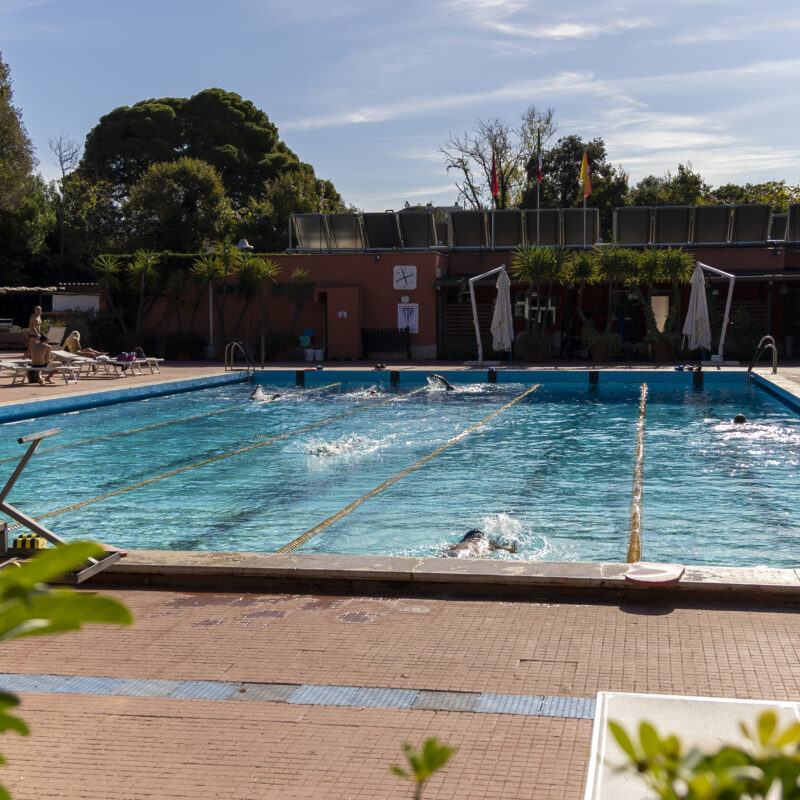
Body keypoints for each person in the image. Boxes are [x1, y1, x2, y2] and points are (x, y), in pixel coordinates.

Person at [444, 529, 517, 558]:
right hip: (471, 553)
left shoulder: (456, 544)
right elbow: (510, 549)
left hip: (457, 552)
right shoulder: (488, 542)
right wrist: (511, 542)